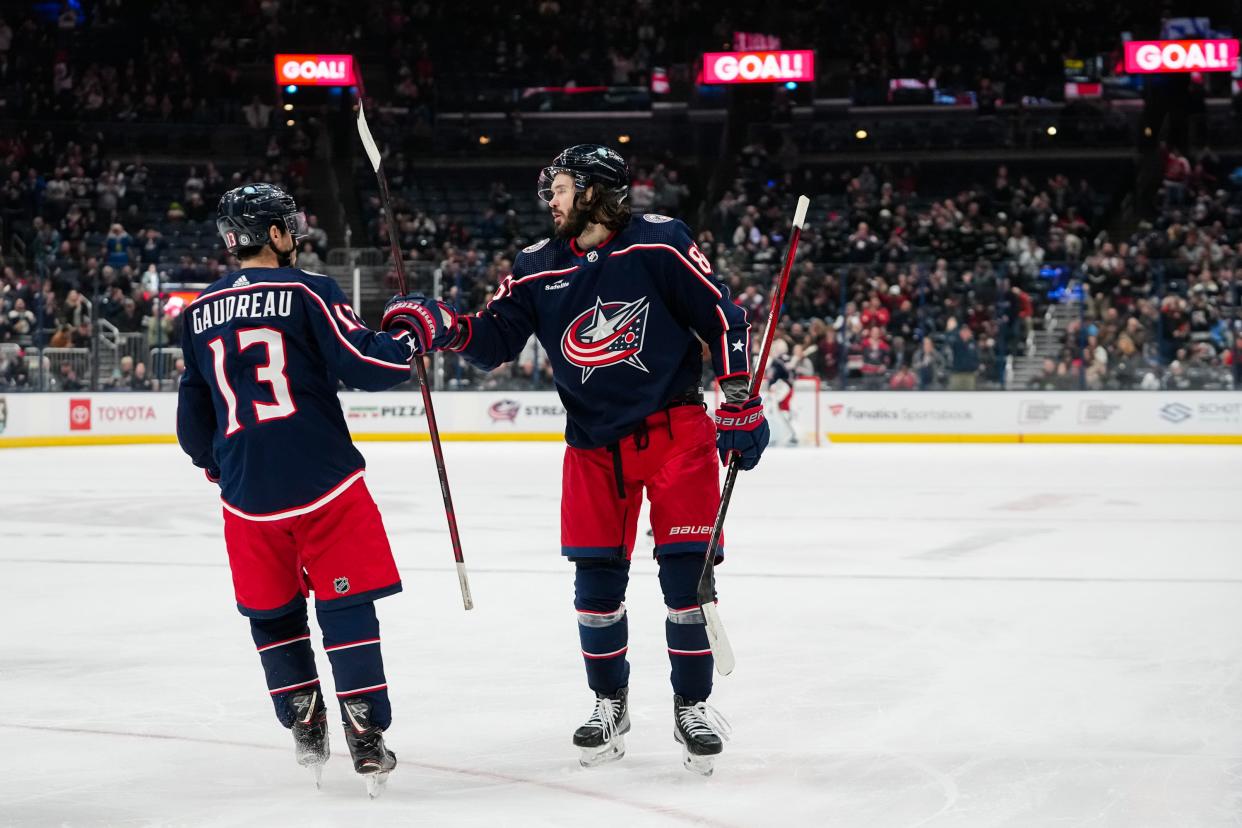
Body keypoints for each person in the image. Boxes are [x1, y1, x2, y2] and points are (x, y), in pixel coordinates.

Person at [379, 145, 767, 775]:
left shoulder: (660, 244)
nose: (549, 201)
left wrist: (738, 397)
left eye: (558, 189)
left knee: (685, 585)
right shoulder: (535, 265)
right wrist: (444, 326)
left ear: (593, 191)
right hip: (592, 446)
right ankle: (608, 701)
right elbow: (495, 338)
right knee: (594, 591)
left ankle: (692, 705)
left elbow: (723, 316)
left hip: (677, 435)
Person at [176, 184, 418, 795]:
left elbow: (192, 419)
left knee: (273, 615)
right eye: (288, 226)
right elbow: (372, 366)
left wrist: (220, 465)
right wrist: (414, 332)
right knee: (346, 604)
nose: (296, 234)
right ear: (274, 234)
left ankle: (303, 723)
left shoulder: (197, 313)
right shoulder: (309, 290)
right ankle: (364, 729)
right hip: (323, 482)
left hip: (246, 497)